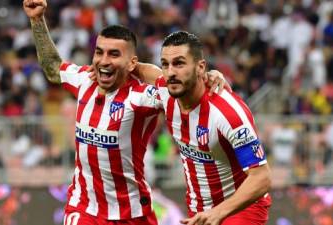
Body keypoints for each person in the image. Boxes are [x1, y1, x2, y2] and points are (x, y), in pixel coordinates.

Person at [22, 1, 229, 224]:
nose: (103, 60)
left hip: (132, 214)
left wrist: (205, 77)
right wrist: (36, 20)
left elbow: (179, 87)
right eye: (99, 52)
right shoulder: (84, 80)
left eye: (114, 54)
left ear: (132, 63)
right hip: (84, 208)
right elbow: (53, 69)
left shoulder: (143, 97)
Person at [139, 31, 272, 225]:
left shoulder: (227, 113)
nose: (170, 72)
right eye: (165, 64)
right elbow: (146, 72)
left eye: (179, 63)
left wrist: (218, 213)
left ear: (200, 67)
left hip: (241, 209)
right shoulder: (167, 92)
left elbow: (262, 177)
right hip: (199, 211)